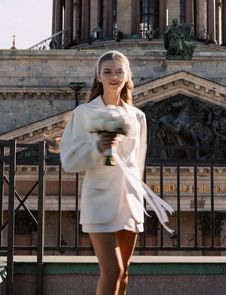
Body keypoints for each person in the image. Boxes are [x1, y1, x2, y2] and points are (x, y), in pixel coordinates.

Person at [60, 50, 147, 295]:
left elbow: (137, 163)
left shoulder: (138, 117)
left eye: (119, 71)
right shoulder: (84, 114)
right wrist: (97, 147)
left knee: (124, 274)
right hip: (99, 200)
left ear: (127, 75)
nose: (114, 76)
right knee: (112, 271)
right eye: (107, 71)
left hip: (129, 202)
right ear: (98, 76)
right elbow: (69, 160)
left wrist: (138, 195)